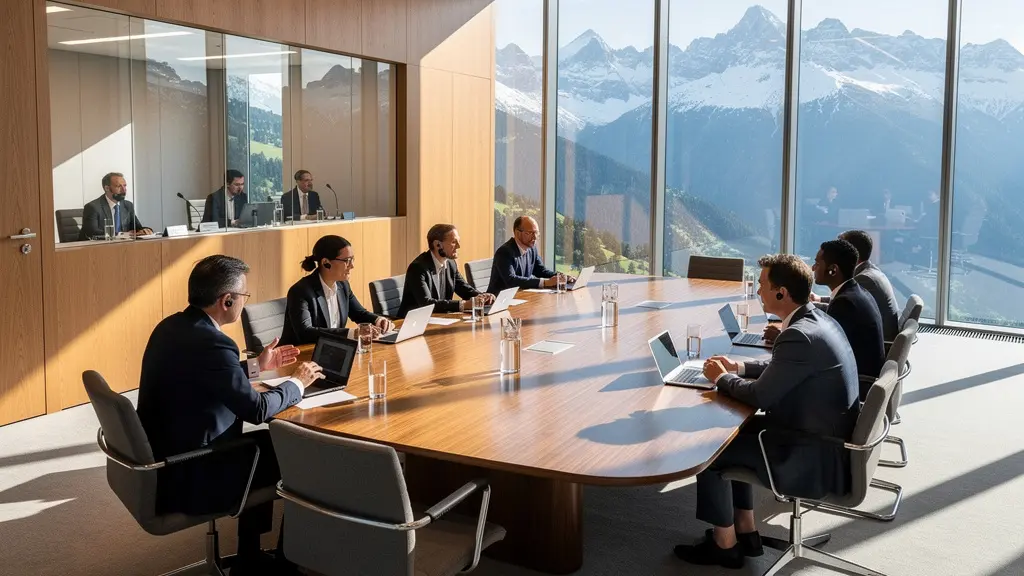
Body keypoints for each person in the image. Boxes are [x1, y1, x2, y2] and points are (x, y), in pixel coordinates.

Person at [136, 255, 324, 571]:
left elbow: (203, 375)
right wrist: (297, 382)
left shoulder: (171, 326)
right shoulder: (216, 343)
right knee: (295, 452)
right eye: (243, 296)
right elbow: (258, 410)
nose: (243, 300)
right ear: (227, 300)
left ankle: (251, 553)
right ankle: (283, 560)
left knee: (268, 445)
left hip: (165, 456)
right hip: (191, 467)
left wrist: (256, 366)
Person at [675, 254, 859, 570]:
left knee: (710, 451)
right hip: (821, 438)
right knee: (731, 433)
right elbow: (785, 367)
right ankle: (746, 530)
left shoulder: (798, 335)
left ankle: (725, 546)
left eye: (762, 285)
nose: (758, 291)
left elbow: (760, 396)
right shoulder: (815, 321)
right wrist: (740, 366)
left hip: (810, 455)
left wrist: (720, 378)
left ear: (781, 293)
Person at [280, 234, 393, 346]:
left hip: (330, 351)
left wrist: (379, 320)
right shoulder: (300, 291)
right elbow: (305, 333)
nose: (352, 266)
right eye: (347, 260)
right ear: (326, 263)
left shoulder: (343, 285)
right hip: (297, 357)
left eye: (352, 259)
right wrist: (352, 333)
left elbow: (359, 313)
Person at [807, 240, 886, 394]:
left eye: (817, 263)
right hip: (863, 376)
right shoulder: (857, 291)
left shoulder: (845, 303)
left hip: (855, 384)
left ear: (833, 270)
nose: (813, 268)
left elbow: (825, 351)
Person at [398, 223, 495, 318]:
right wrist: (463, 305)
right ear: (437, 245)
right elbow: (427, 303)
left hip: (439, 319)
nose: (458, 246)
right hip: (413, 322)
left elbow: (464, 289)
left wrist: (483, 297)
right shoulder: (418, 268)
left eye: (458, 241)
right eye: (453, 242)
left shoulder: (450, 264)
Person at [823, 230, 900, 341]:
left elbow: (842, 308)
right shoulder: (870, 271)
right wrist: (819, 299)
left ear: (852, 253)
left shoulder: (864, 279)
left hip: (879, 344)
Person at [487, 216, 574, 293]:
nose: (535, 237)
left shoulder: (532, 249)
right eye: (530, 233)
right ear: (517, 233)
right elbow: (511, 280)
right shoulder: (505, 252)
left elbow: (541, 271)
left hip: (522, 297)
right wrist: (545, 282)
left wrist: (561, 277)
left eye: (536, 233)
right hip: (499, 302)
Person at [79, 172, 153, 240]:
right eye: (119, 186)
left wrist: (145, 230)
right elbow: (92, 233)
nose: (124, 190)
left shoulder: (128, 205)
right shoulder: (93, 207)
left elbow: (137, 228)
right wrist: (122, 234)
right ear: (107, 188)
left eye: (124, 186)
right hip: (96, 248)